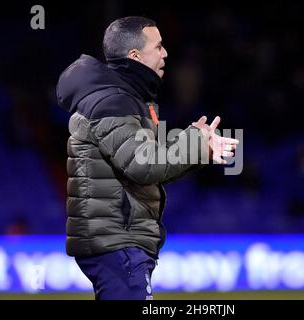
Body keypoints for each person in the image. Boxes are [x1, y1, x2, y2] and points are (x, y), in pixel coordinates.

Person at [56, 16, 238, 300]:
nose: (165, 53)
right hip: (117, 239)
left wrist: (197, 143)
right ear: (135, 56)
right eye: (159, 46)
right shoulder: (112, 101)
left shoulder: (126, 97)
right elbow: (144, 164)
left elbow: (147, 154)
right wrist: (195, 144)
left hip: (118, 239)